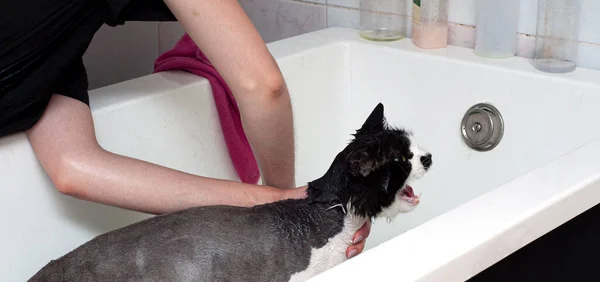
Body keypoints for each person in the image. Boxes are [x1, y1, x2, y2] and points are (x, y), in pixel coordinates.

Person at [0, 0, 370, 258]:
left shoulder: (50, 39)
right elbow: (262, 86)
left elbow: (72, 166)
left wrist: (277, 200)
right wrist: (292, 211)